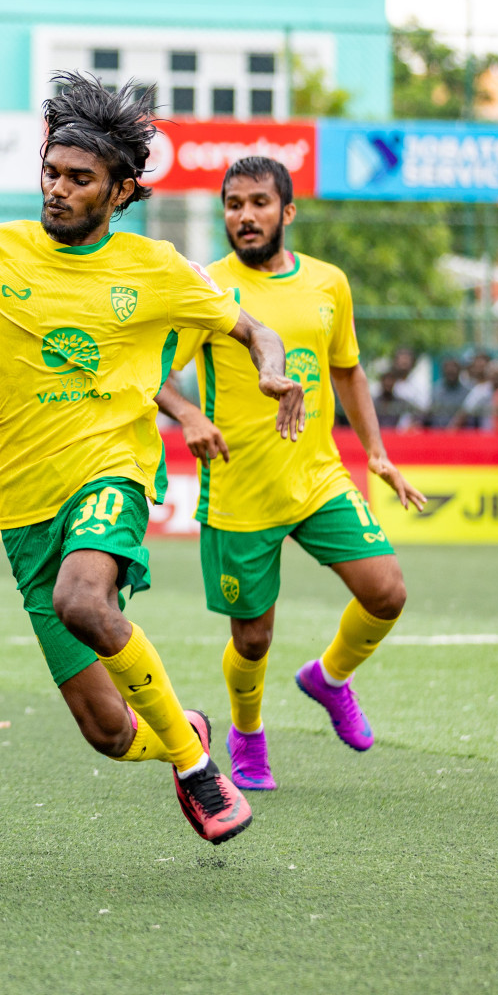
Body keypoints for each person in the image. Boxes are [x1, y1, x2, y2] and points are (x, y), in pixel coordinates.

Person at [0, 73, 304, 845]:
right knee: (106, 731)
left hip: (113, 473)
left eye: (79, 179)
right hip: (24, 508)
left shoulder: (157, 269)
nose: (58, 190)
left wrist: (271, 366)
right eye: (52, 173)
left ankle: (197, 766)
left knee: (84, 600)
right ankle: (182, 728)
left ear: (121, 190)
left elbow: (253, 328)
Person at [154, 156, 425, 792]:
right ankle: (247, 733)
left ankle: (328, 680)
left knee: (387, 593)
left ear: (287, 212)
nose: (244, 216)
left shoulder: (329, 282)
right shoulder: (207, 289)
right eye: (232, 204)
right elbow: (152, 372)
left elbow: (349, 371)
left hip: (318, 476)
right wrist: (189, 414)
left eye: (258, 203)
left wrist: (377, 452)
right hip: (239, 487)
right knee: (252, 640)